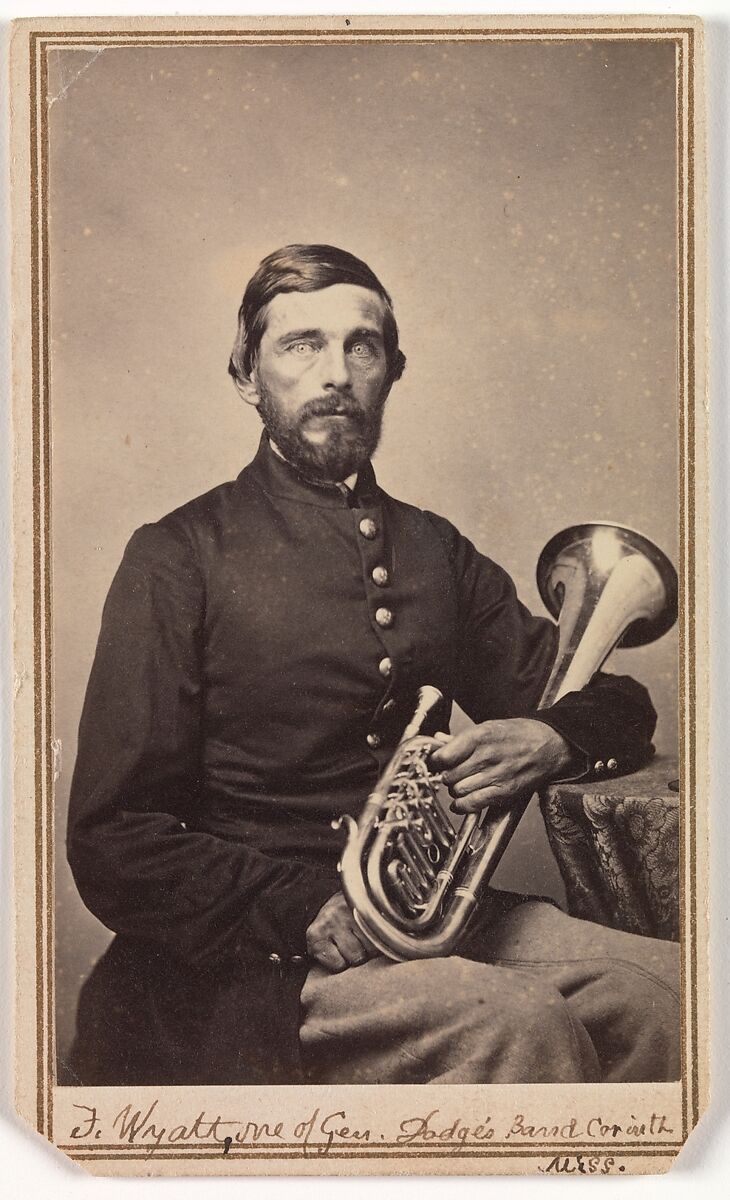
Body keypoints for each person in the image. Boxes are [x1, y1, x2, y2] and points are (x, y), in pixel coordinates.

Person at [66, 244, 679, 1087]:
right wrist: (298, 907)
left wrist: (550, 737)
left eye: (362, 347)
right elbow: (112, 838)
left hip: (425, 921)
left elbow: (610, 700)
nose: (336, 373)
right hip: (256, 958)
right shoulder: (178, 556)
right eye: (301, 345)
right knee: (518, 1025)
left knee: (672, 996)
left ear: (393, 370)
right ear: (248, 376)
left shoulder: (434, 550)